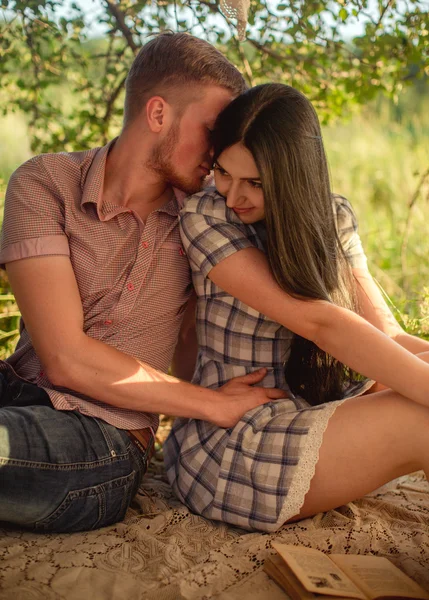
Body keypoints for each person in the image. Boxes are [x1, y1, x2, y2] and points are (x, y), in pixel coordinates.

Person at [0, 33, 286, 533]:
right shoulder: (46, 183)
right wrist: (212, 404)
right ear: (158, 114)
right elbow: (63, 356)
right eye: (213, 129)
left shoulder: (214, 219)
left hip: (102, 437)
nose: (221, 152)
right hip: (15, 390)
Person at [164, 83, 429, 532]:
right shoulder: (206, 217)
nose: (233, 195)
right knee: (421, 422)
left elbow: (387, 337)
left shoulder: (333, 217)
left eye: (255, 183)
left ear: (294, 176)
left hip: (316, 410)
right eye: (224, 173)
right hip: (238, 438)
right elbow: (319, 322)